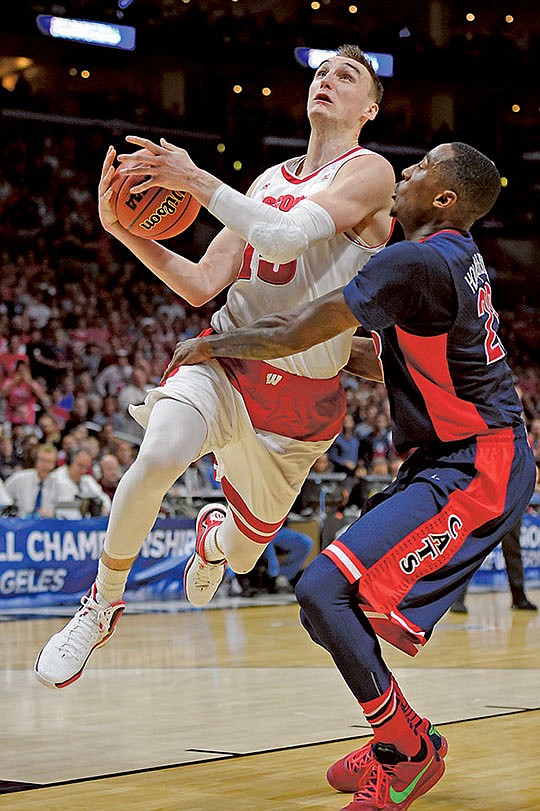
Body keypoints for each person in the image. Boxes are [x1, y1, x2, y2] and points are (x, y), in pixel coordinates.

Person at [159, 142, 537, 810]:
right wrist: (318, 354)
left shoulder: (412, 259)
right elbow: (374, 359)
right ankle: (400, 734)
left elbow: (296, 328)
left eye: (422, 168)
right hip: (452, 457)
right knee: (326, 605)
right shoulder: (453, 256)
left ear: (446, 198)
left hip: (479, 464)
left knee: (321, 591)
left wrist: (214, 344)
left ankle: (407, 753)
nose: (408, 171)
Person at [34, 43, 395, 689]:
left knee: (244, 548)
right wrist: (124, 231)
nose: (327, 81)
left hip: (303, 404)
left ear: (368, 107)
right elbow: (203, 282)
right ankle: (101, 604)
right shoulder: (266, 182)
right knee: (158, 454)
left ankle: (213, 537)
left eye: (346, 76)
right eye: (321, 72)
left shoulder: (370, 175)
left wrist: (196, 179)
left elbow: (285, 237)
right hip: (228, 357)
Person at [450, 517, 537, 613]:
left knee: (513, 549)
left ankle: (519, 597)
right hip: (485, 504)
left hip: (509, 504)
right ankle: (457, 599)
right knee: (470, 547)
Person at [45, 447, 112, 519]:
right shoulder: (55, 478)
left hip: (85, 525)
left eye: (86, 467)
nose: (83, 470)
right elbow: (47, 506)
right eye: (80, 465)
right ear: (70, 462)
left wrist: (102, 508)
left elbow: (105, 499)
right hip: (60, 524)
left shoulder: (87, 480)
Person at [4, 442, 58, 517]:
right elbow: (3, 499)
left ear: (54, 464)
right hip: (19, 524)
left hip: (46, 525)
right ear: (36, 460)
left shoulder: (58, 484)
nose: (45, 465)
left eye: (49, 462)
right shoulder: (18, 478)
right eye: (42, 460)